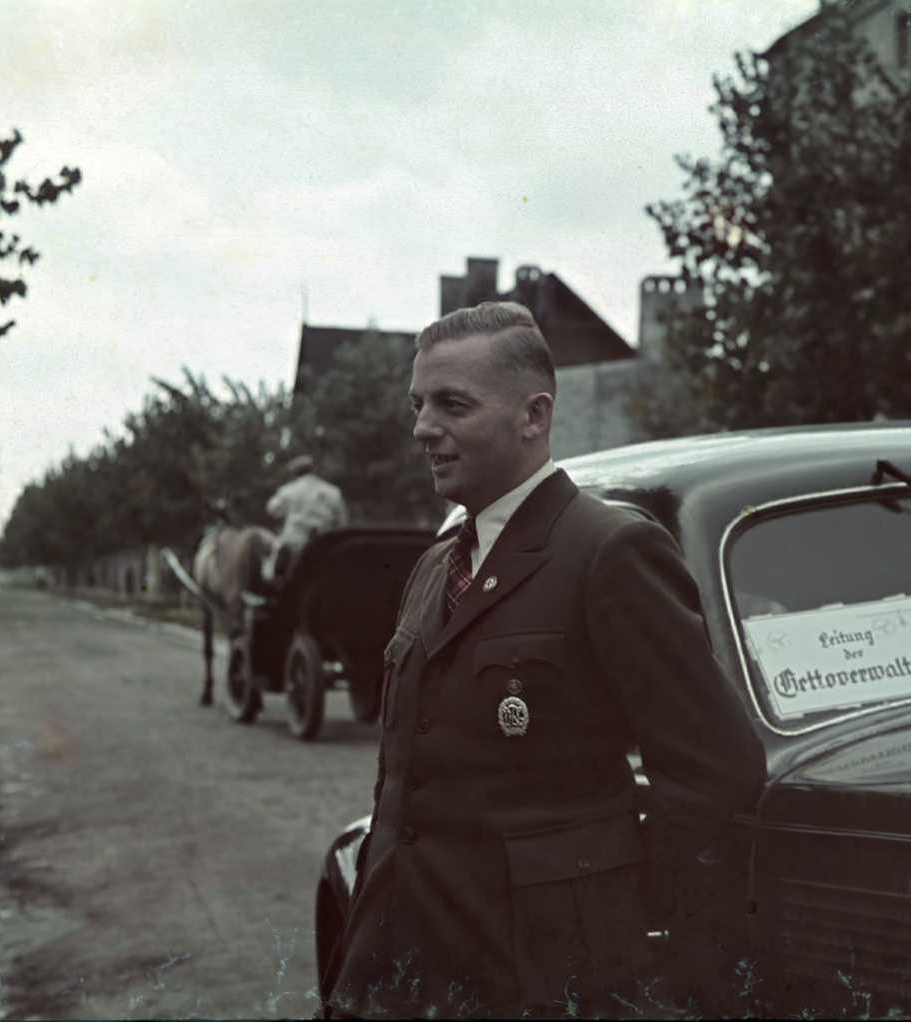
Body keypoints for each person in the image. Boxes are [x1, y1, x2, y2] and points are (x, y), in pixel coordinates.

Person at [323, 302, 766, 1019]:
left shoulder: (608, 551)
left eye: (452, 405)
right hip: (398, 974)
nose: (422, 428)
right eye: (418, 404)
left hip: (538, 986)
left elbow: (717, 772)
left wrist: (612, 927)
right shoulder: (435, 566)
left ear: (533, 416)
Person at [263, 454, 348, 583]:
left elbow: (271, 509)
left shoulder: (288, 491)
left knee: (269, 571)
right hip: (323, 543)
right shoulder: (332, 491)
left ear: (295, 472)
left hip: (293, 543)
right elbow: (343, 521)